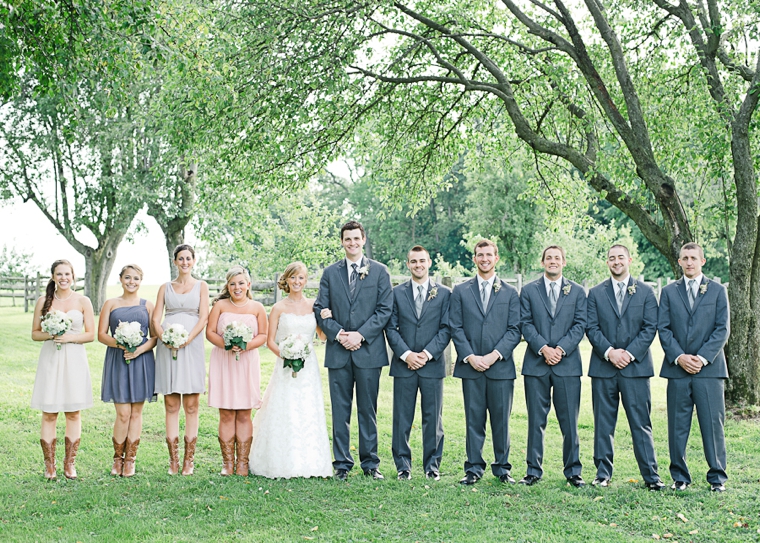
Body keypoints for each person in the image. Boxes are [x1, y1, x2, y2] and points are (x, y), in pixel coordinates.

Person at [314, 220, 393, 480]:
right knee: (341, 409)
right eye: (347, 239)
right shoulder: (330, 273)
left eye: (356, 238)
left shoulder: (379, 272)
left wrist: (360, 335)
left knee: (368, 410)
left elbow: (384, 310)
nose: (352, 243)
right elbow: (320, 308)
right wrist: (339, 333)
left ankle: (370, 464)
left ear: (363, 239)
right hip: (339, 352)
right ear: (342, 241)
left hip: (369, 352)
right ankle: (342, 464)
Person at [586, 245, 664, 490]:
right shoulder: (596, 293)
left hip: (636, 369)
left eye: (620, 257)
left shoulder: (646, 292)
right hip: (603, 367)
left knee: (641, 423)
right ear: (607, 262)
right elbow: (592, 327)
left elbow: (650, 327)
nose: (616, 262)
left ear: (629, 259)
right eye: (612, 258)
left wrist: (628, 354)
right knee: (603, 423)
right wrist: (610, 352)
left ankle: (651, 477)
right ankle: (602, 474)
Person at [249, 262, 333, 478]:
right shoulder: (278, 308)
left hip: (308, 366)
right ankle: (280, 461)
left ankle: (311, 462)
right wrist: (287, 355)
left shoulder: (313, 305)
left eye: (301, 278)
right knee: (284, 406)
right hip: (285, 364)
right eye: (293, 278)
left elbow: (322, 337)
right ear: (286, 280)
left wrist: (327, 319)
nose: (297, 282)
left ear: (306, 281)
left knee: (307, 407)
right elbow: (270, 341)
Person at [449, 240, 522, 486]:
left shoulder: (510, 293)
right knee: (474, 419)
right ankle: (473, 468)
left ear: (496, 258)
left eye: (489, 255)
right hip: (471, 367)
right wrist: (470, 356)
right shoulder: (460, 291)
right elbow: (455, 327)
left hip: (500, 367)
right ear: (474, 259)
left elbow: (514, 330)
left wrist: (493, 356)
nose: (484, 259)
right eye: (480, 255)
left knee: (501, 420)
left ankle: (502, 468)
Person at [658, 242, 729, 492]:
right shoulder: (668, 292)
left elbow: (722, 329)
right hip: (677, 370)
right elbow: (664, 329)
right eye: (685, 258)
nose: (689, 262)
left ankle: (717, 477)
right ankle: (680, 476)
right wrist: (679, 357)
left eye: (693, 258)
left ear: (702, 261)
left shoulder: (718, 291)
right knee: (677, 425)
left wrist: (701, 358)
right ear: (679, 262)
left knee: (712, 424)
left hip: (709, 370)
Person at [519, 245, 587, 487]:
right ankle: (533, 470)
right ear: (543, 262)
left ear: (564, 262)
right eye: (549, 258)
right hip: (536, 365)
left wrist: (560, 350)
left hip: (567, 365)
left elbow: (580, 324)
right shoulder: (528, 291)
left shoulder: (577, 291)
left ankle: (573, 471)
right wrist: (543, 348)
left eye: (557, 258)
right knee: (536, 420)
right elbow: (525, 323)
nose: (553, 261)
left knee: (569, 421)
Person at [385, 245, 451, 481]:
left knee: (433, 418)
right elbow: (390, 328)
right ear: (408, 264)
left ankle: (432, 466)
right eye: (413, 262)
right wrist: (406, 355)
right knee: (402, 417)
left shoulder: (444, 293)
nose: (418, 265)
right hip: (404, 365)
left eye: (422, 261)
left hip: (432, 365)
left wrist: (426, 353)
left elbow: (446, 329)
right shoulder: (396, 293)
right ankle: (403, 465)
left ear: (429, 262)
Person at [31, 259, 95, 480]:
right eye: (59, 274)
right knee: (49, 413)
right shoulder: (43, 301)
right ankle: (50, 466)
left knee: (73, 412)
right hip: (51, 358)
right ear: (53, 277)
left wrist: (70, 337)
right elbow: (35, 333)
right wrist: (53, 333)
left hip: (75, 359)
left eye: (67, 274)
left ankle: (70, 464)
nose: (63, 278)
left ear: (73, 276)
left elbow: (91, 335)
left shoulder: (83, 300)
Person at [152, 244, 209, 475]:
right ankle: (173, 460)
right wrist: (163, 336)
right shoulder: (165, 288)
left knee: (192, 404)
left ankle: (189, 460)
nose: (184, 262)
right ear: (175, 261)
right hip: (167, 346)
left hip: (192, 345)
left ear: (193, 261)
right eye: (180, 258)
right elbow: (156, 318)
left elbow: (204, 317)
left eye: (188, 258)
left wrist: (188, 339)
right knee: (171, 403)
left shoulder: (201, 286)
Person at [206, 266, 267, 476]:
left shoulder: (257, 307)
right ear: (228, 286)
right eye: (232, 284)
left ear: (248, 284)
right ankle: (227, 463)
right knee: (225, 413)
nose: (237, 287)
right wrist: (225, 343)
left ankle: (242, 462)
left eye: (241, 283)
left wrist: (246, 345)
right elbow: (210, 332)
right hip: (224, 361)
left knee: (244, 413)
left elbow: (263, 335)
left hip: (247, 363)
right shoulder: (220, 306)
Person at [98, 264, 158, 478]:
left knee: (136, 413)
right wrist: (121, 344)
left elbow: (154, 337)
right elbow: (101, 335)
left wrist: (138, 349)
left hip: (141, 361)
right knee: (123, 414)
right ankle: (117, 459)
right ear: (121, 279)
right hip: (118, 359)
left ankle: (131, 460)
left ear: (141, 281)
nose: (132, 282)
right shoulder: (111, 304)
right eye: (127, 278)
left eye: (136, 278)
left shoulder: (148, 305)